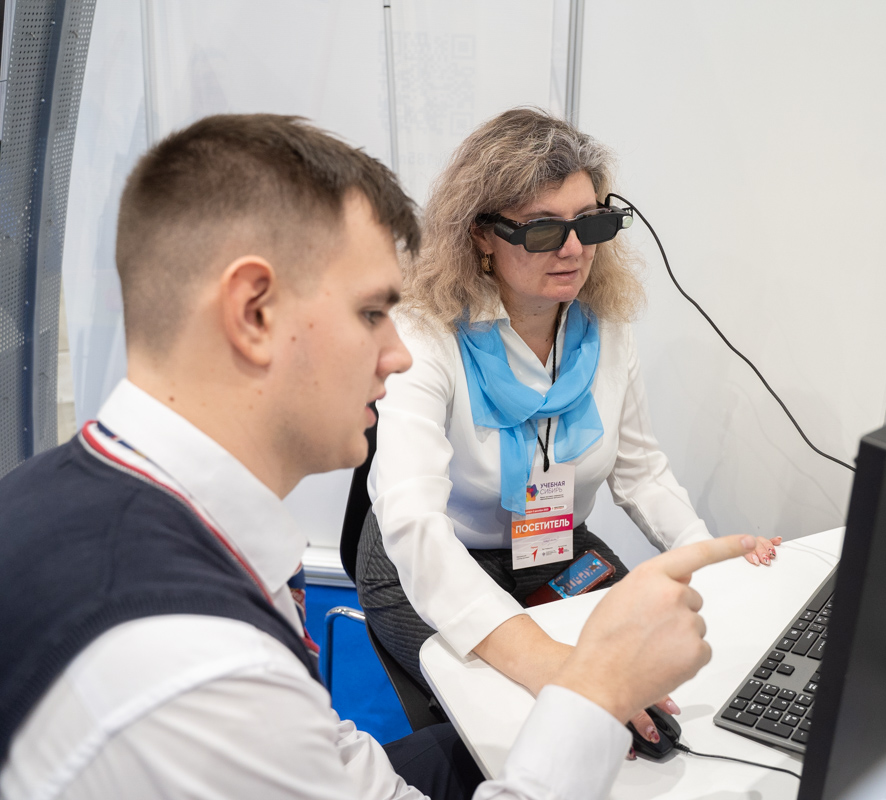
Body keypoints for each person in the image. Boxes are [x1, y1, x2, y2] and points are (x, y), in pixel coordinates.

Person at [0, 113, 756, 800]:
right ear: (252, 312)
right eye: (371, 313)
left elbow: (330, 757)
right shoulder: (203, 663)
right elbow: (407, 548)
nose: (396, 355)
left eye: (589, 223)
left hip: (540, 552)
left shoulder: (94, 513)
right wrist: (584, 693)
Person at [356, 108, 782, 746]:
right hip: (430, 562)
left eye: (590, 223)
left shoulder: (605, 326)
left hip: (554, 550)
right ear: (481, 235)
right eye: (544, 229)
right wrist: (551, 665)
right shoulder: (424, 334)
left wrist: (711, 558)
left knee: (659, 684)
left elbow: (641, 474)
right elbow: (415, 527)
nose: (576, 249)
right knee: (524, 723)